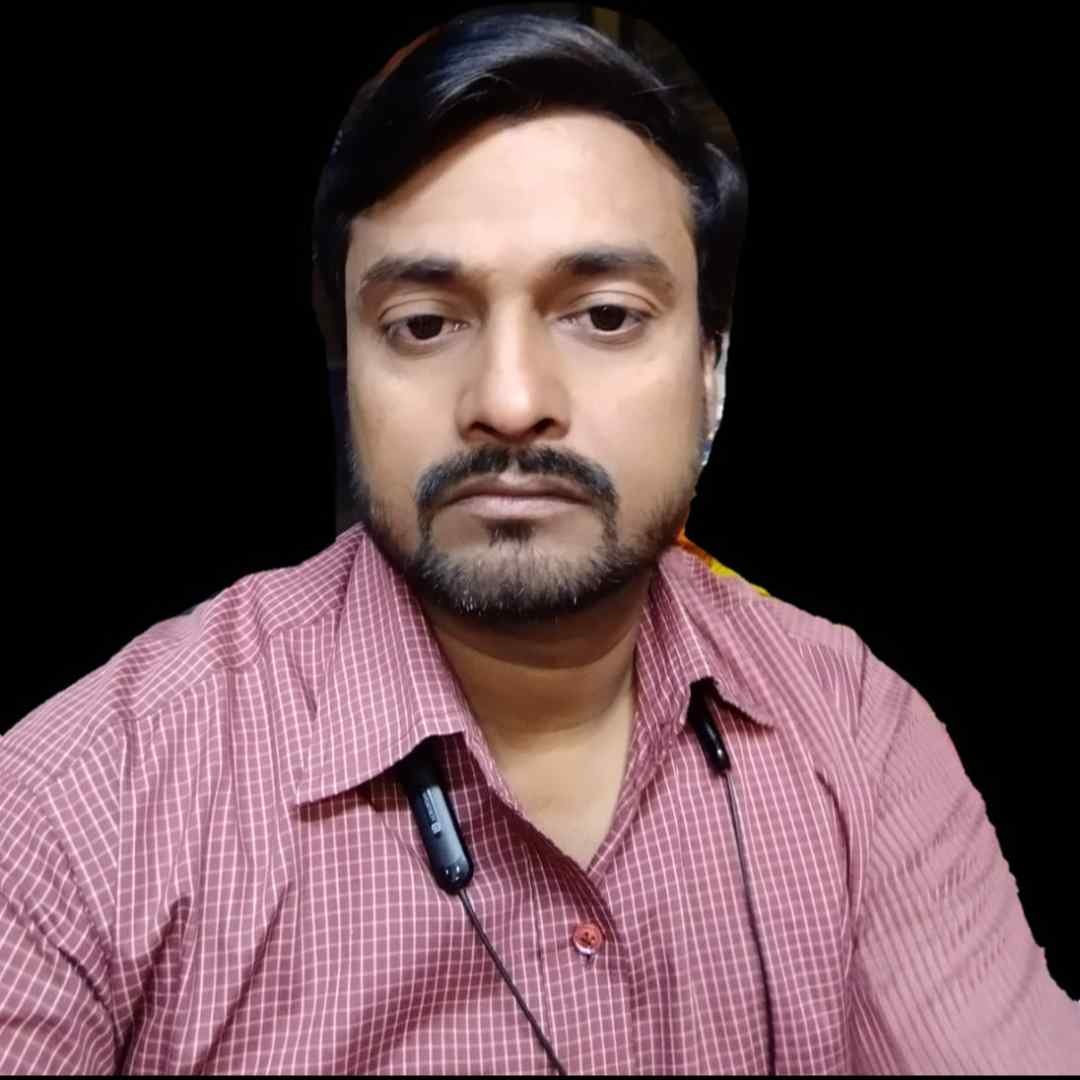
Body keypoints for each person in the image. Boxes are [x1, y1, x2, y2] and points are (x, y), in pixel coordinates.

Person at [1, 9, 1076, 1075]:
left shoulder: (857, 730)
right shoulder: (81, 806)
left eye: (604, 315)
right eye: (424, 324)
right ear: (349, 374)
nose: (510, 403)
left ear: (712, 370)